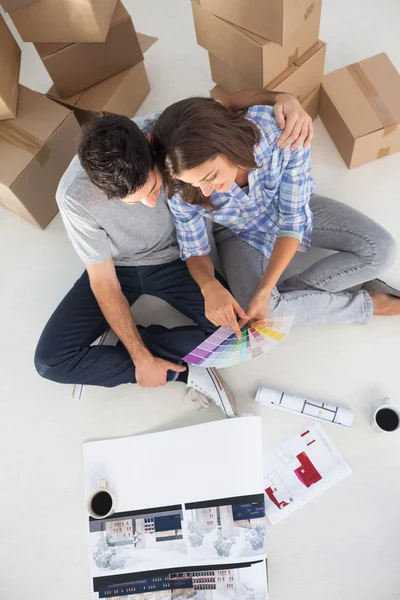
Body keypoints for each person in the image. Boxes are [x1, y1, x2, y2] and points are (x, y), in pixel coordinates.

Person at [33, 89, 313, 412]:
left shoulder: (166, 132)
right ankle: (175, 370)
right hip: (117, 270)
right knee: (49, 362)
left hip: (177, 257)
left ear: (152, 146)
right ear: (103, 191)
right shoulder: (74, 197)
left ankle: (124, 345)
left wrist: (283, 98)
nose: (152, 202)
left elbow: (222, 104)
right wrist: (139, 358)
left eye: (154, 188)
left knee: (239, 334)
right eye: (136, 200)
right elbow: (103, 283)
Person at [151, 97, 399, 335]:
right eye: (196, 184)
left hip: (289, 206)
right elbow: (194, 249)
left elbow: (293, 220)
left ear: (227, 145)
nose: (205, 191)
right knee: (261, 308)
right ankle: (369, 305)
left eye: (210, 177)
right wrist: (209, 286)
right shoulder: (181, 186)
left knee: (383, 250)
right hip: (237, 232)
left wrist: (265, 291)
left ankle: (283, 301)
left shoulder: (278, 132)